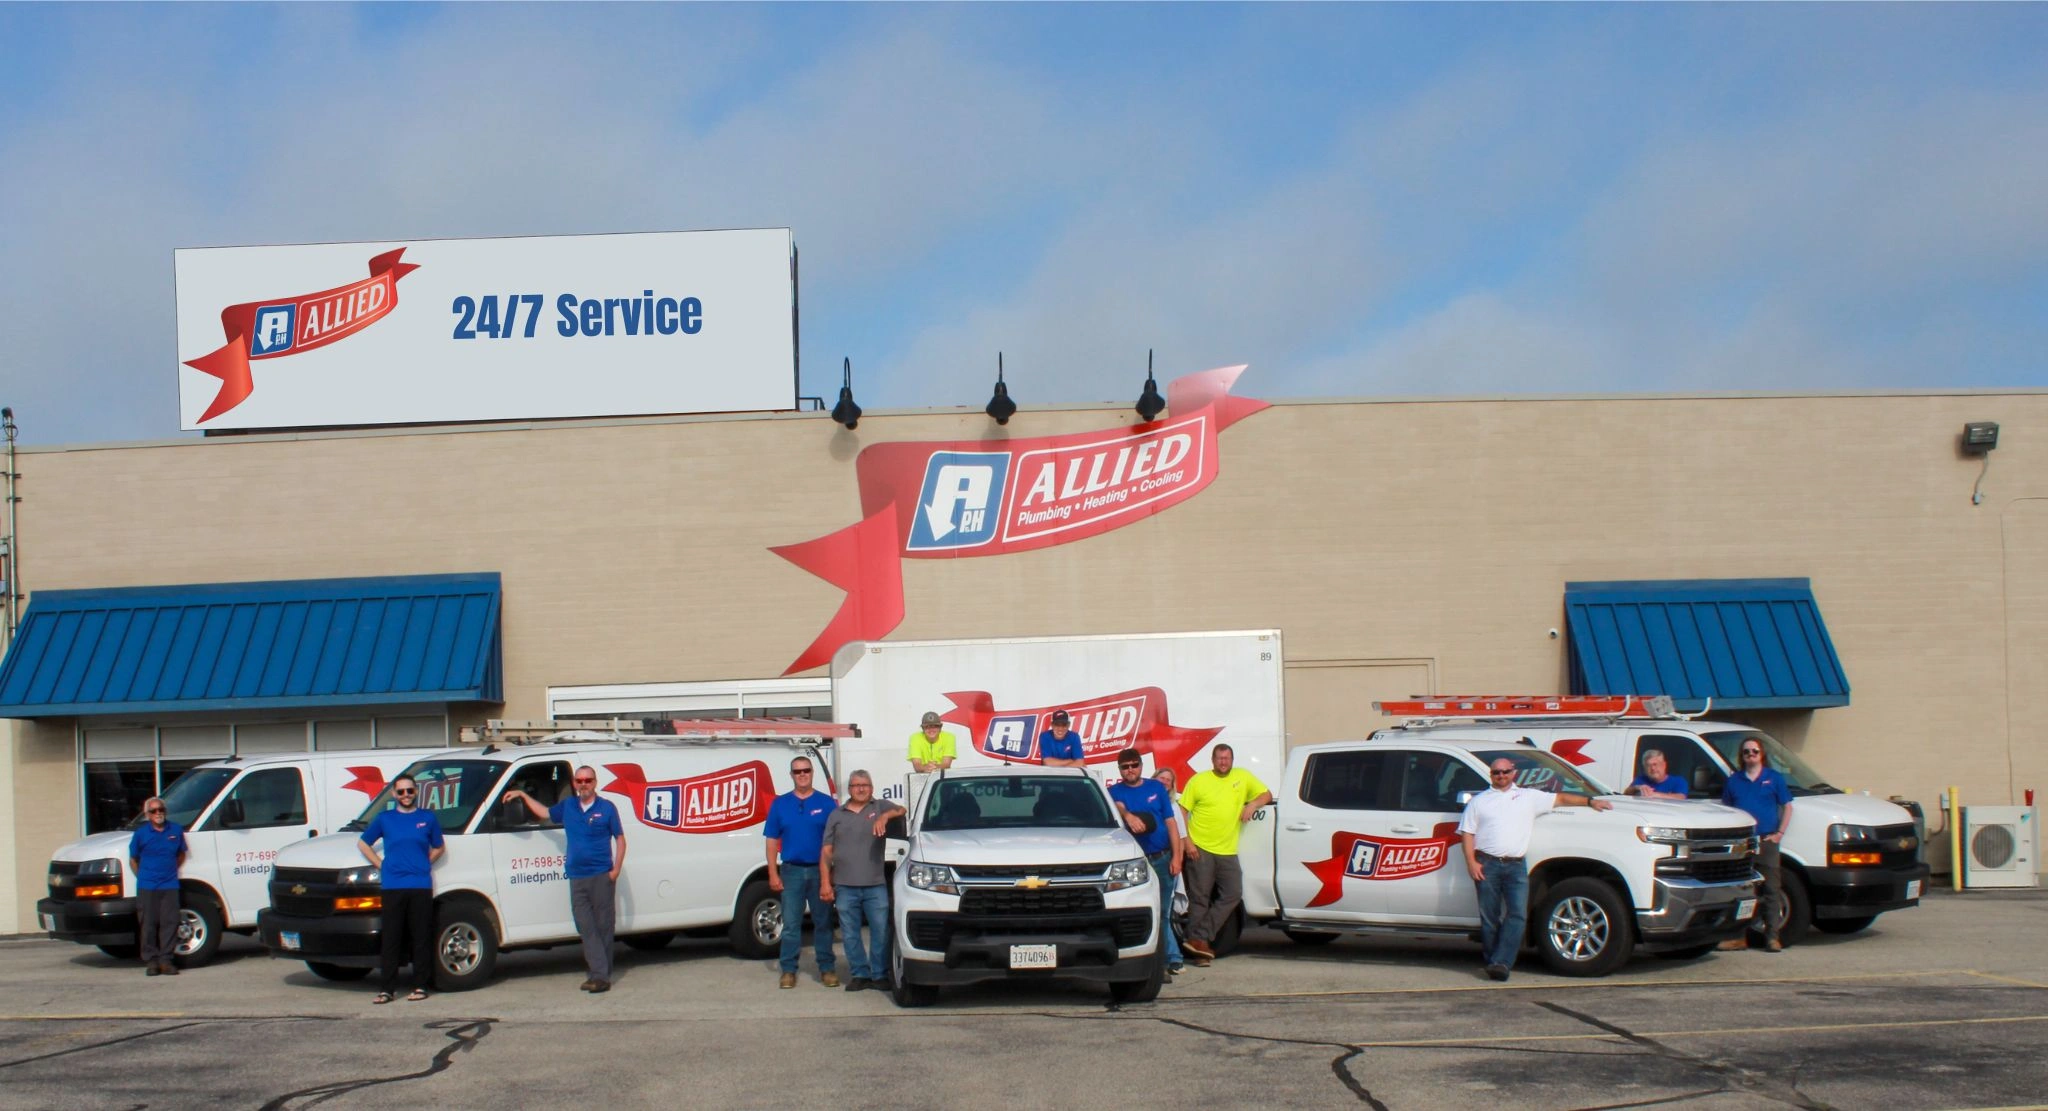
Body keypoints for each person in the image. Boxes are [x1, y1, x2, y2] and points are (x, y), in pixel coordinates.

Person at [1460, 758, 1614, 981]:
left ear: (1514, 773)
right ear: (1491, 775)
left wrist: (1590, 802)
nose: (1501, 776)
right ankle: (1493, 960)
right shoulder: (1479, 802)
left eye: (1505, 772)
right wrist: (1471, 862)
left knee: (1518, 914)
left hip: (1515, 864)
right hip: (1487, 864)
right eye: (1496, 773)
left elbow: (1561, 798)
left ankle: (1501, 962)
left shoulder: (1529, 797)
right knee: (1490, 917)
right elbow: (1467, 833)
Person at [502, 765, 627, 992]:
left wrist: (616, 870)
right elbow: (544, 813)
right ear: (575, 784)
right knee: (585, 926)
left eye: (587, 780)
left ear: (595, 782)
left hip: (601, 875)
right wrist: (522, 794)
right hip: (577, 876)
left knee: (604, 926)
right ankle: (600, 973)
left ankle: (600, 975)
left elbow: (620, 838)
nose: (583, 785)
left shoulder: (607, 808)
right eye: (579, 781)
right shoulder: (569, 806)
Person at [1177, 744, 1272, 965]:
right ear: (1213, 760)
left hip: (1228, 850)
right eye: (1219, 758)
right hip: (1200, 847)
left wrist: (1252, 805)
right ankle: (1199, 951)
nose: (1223, 762)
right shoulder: (1199, 781)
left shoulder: (1243, 777)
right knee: (1199, 899)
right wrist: (1187, 842)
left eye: (1227, 758)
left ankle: (1198, 937)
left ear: (1232, 759)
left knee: (1233, 892)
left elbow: (1266, 794)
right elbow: (1182, 811)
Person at [359, 775, 445, 1003]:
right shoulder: (384, 818)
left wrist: (426, 862)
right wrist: (381, 864)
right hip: (393, 885)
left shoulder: (427, 818)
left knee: (420, 936)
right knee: (392, 938)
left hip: (420, 885)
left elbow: (439, 846)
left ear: (416, 792)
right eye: (401, 792)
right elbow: (363, 843)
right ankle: (387, 989)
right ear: (394, 794)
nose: (406, 795)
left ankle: (420, 986)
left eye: (409, 791)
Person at [820, 770, 905, 992]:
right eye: (856, 785)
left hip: (875, 883)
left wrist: (885, 817)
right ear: (849, 789)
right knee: (850, 933)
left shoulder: (879, 807)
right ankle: (859, 974)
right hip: (845, 885)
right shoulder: (836, 814)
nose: (860, 789)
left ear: (871, 787)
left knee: (880, 931)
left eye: (865, 785)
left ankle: (879, 974)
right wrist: (825, 882)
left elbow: (902, 810)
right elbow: (827, 851)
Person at [764, 754, 839, 988]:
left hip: (820, 872)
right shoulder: (780, 804)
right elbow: (771, 841)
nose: (802, 774)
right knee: (791, 924)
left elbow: (836, 840)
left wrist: (832, 874)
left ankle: (826, 968)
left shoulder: (827, 804)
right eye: (797, 772)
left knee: (824, 922)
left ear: (812, 772)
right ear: (791, 775)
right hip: (792, 871)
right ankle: (788, 970)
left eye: (806, 770)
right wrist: (772, 873)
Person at [1107, 750, 1184, 974]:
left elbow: (1171, 823)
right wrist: (1128, 815)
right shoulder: (1114, 792)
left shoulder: (1156, 788)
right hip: (1134, 864)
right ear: (1119, 769)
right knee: (1141, 911)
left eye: (1134, 765)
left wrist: (1177, 857)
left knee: (1164, 911)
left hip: (1161, 857)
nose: (1130, 770)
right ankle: (1156, 959)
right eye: (1125, 767)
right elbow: (1116, 806)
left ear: (1141, 765)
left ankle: (1170, 958)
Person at [1719, 738, 1795, 952]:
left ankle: (1772, 938)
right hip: (1743, 844)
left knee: (1771, 890)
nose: (1750, 755)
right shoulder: (1734, 781)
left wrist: (1780, 833)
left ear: (1762, 754)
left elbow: (1788, 807)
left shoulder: (1774, 778)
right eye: (1746, 752)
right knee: (1742, 892)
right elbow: (1727, 811)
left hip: (1767, 841)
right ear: (1741, 757)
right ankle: (1738, 937)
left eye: (1754, 751)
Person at [127, 796, 188, 976]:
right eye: (153, 810)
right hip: (148, 886)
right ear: (147, 814)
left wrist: (171, 870)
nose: (158, 813)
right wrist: (143, 877)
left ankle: (166, 960)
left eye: (161, 809)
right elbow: (133, 859)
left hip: (169, 884)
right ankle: (151, 961)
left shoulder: (175, 830)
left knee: (170, 923)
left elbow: (181, 854)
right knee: (148, 924)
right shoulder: (141, 834)